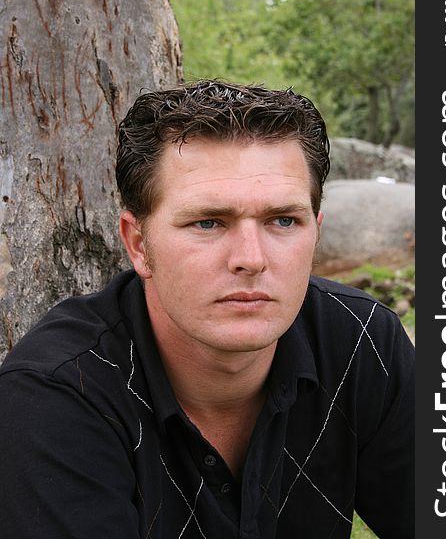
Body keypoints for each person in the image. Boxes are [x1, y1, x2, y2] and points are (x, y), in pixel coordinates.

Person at [0, 80, 414, 538]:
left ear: (315, 232)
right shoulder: (56, 396)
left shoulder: (360, 343)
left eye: (282, 221)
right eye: (208, 222)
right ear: (138, 244)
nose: (251, 259)